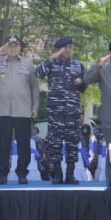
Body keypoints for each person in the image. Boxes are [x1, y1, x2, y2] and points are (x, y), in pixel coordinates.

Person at [0, 35, 40, 184]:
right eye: (10, 46)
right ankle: (2, 174)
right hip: (2, 111)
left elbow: (34, 87)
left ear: (20, 47)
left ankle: (22, 173)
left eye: (15, 46)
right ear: (5, 47)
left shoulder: (28, 63)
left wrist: (35, 107)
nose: (13, 49)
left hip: (23, 110)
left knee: (24, 144)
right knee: (4, 143)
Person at [35, 37, 86, 184]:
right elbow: (38, 74)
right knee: (55, 144)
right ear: (58, 50)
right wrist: (51, 58)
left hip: (72, 112)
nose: (69, 50)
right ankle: (57, 174)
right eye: (65, 48)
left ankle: (70, 174)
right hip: (55, 113)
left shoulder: (78, 65)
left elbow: (83, 88)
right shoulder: (51, 64)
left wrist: (81, 82)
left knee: (72, 143)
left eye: (70, 47)